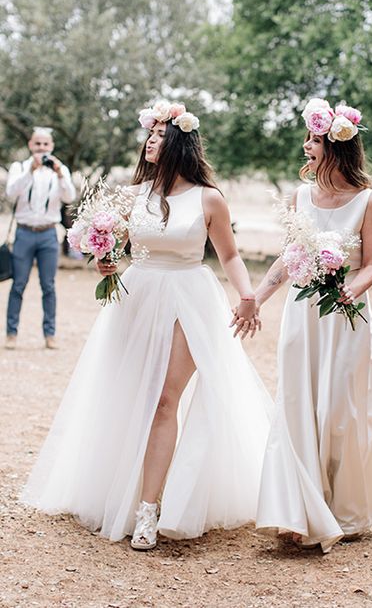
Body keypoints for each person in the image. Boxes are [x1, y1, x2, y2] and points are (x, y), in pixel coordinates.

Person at [20, 101, 274, 550]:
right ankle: (114, 486)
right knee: (131, 394)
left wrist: (248, 296)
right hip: (137, 297)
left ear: (179, 143)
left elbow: (229, 255)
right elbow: (109, 248)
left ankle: (148, 509)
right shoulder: (132, 195)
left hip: (189, 297)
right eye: (149, 137)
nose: (150, 143)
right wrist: (104, 261)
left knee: (163, 400)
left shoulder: (208, 198)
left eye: (158, 137)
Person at [253, 99, 372, 552]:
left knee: (340, 410)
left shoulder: (368, 201)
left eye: (313, 140)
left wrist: (350, 291)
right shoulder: (299, 198)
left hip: (345, 318)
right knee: (297, 404)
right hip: (303, 317)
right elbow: (287, 259)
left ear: (337, 147)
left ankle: (342, 507)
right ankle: (294, 510)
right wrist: (254, 299)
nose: (306, 147)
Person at [5, 127, 76, 349]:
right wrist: (30, 172)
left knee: (49, 285)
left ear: (52, 147)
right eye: (37, 144)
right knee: (18, 284)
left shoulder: (59, 169)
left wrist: (60, 174)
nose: (41, 148)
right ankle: (11, 333)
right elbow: (10, 193)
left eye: (46, 144)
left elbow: (70, 196)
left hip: (48, 233)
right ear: (30, 145)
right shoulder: (20, 167)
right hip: (24, 232)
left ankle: (50, 334)